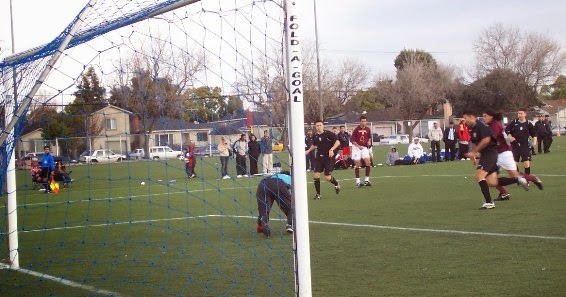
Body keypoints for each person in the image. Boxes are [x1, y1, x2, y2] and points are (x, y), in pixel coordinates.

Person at [463, 110, 528, 210]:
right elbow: (475, 143)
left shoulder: (481, 126)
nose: (464, 120)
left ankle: (489, 202)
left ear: (472, 117)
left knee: (479, 176)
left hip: (490, 154)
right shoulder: (473, 128)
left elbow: (486, 140)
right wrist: (473, 156)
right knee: (492, 182)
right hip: (487, 155)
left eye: (465, 118)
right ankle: (517, 179)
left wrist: (474, 152)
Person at [482, 110, 540, 201]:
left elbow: (490, 139)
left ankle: (524, 180)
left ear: (491, 116)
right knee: (490, 176)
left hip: (502, 153)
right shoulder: (502, 124)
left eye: (485, 116)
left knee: (489, 176)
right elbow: (505, 133)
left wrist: (479, 148)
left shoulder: (495, 125)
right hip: (501, 152)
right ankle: (507, 191)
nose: (483, 118)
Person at [305, 120, 341, 200]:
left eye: (320, 125)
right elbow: (314, 145)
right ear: (315, 127)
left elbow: (337, 142)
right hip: (319, 157)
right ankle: (318, 194)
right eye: (317, 126)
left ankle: (336, 183)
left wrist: (332, 149)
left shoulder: (329, 134)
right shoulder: (315, 135)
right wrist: (308, 150)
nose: (318, 127)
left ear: (323, 126)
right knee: (316, 175)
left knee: (327, 177)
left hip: (328, 157)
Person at [255, 170, 294, 238]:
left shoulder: (273, 176)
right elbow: (290, 198)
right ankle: (289, 225)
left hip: (263, 184)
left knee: (264, 209)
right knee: (290, 206)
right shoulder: (290, 178)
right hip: (278, 184)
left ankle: (263, 224)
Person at [505, 108, 536, 178]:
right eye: (518, 113)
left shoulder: (528, 124)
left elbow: (534, 134)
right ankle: (519, 177)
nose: (519, 115)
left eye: (521, 113)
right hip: (515, 145)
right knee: (513, 164)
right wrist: (510, 137)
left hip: (524, 145)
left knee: (526, 163)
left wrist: (534, 142)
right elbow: (507, 130)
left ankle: (527, 179)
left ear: (525, 114)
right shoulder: (514, 122)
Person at [350, 115, 372, 187]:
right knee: (357, 164)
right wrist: (358, 146)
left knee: (368, 162)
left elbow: (369, 137)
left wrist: (369, 141)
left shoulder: (368, 129)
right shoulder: (356, 129)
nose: (363, 122)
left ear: (366, 122)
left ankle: (366, 180)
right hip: (356, 148)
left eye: (365, 121)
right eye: (362, 121)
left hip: (364, 147)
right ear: (360, 122)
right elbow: (352, 140)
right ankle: (358, 182)